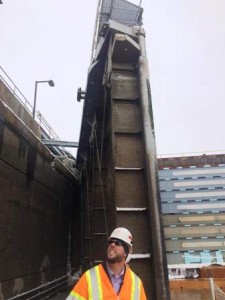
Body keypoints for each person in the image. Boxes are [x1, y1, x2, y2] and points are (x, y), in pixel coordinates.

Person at [66, 227, 147, 300]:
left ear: (126, 252)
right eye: (110, 242)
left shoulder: (136, 284)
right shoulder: (89, 278)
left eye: (117, 243)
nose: (112, 245)